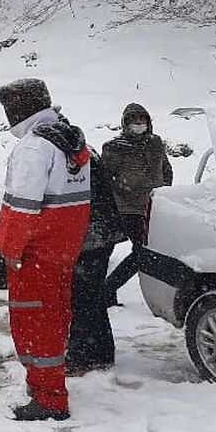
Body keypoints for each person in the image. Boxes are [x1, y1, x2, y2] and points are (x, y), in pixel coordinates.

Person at [0, 78, 91, 421]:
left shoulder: (34, 147)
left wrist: (8, 249)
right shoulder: (71, 140)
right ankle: (46, 384)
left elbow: (21, 209)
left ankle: (48, 398)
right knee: (54, 319)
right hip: (61, 252)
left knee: (32, 324)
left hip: (33, 255)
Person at [101, 103, 172, 307]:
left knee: (148, 251)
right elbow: (105, 178)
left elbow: (166, 169)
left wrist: (163, 189)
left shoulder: (155, 143)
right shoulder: (115, 147)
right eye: (134, 120)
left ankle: (109, 289)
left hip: (154, 205)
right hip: (128, 209)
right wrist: (124, 193)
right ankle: (108, 289)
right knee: (142, 252)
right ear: (126, 123)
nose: (138, 123)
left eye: (142, 119)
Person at [67, 146, 126, 373]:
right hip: (100, 232)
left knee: (82, 298)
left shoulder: (72, 157)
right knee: (92, 296)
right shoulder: (82, 151)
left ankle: (82, 355)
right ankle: (101, 351)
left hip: (90, 234)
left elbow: (76, 198)